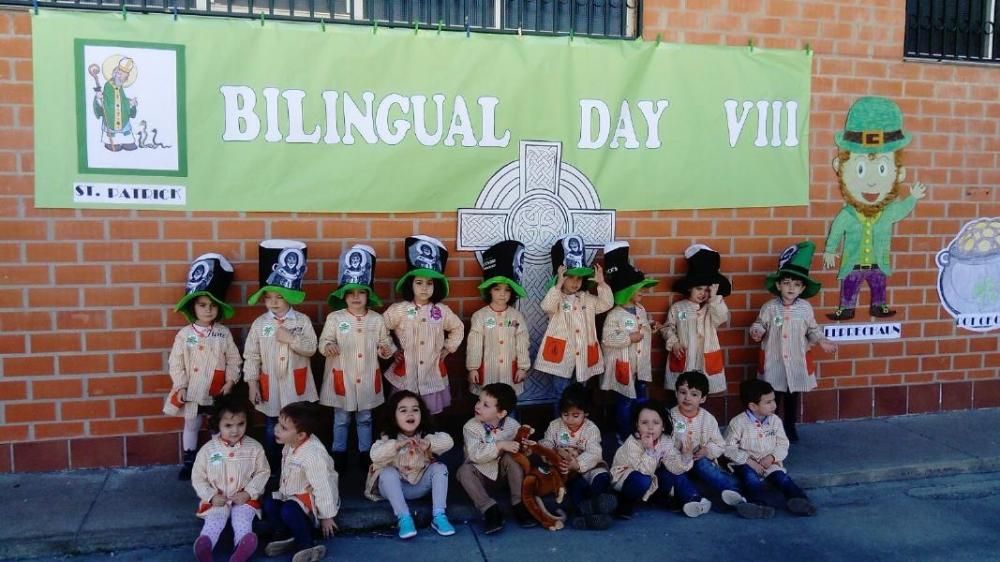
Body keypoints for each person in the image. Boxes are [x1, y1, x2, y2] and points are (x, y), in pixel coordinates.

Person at [823, 96, 927, 321]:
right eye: (860, 168)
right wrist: (830, 250)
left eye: (882, 168)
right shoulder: (847, 215)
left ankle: (879, 306)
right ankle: (846, 308)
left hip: (877, 262)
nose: (871, 182)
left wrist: (912, 198)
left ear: (899, 173)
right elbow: (836, 231)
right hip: (853, 263)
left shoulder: (888, 211)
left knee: (879, 284)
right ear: (840, 167)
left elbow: (901, 211)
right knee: (850, 285)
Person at [751, 241, 838, 442]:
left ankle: (789, 427)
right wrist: (757, 331)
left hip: (796, 361)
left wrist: (822, 340)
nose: (791, 288)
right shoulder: (770, 307)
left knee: (792, 396)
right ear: (779, 285)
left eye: (796, 285)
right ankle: (770, 429)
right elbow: (759, 324)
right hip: (774, 360)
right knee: (772, 397)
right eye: (787, 283)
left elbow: (813, 330)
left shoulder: (805, 309)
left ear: (802, 288)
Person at [320, 245, 395, 476]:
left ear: (367, 295)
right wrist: (328, 346)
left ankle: (365, 452)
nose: (355, 297)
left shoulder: (376, 319)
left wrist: (386, 350)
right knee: (341, 418)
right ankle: (339, 453)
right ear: (343, 295)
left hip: (366, 376)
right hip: (342, 374)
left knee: (365, 417)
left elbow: (387, 343)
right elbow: (323, 341)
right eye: (350, 292)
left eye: (360, 292)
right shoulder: (335, 318)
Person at [164, 254, 241, 481]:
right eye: (202, 305)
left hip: (217, 390)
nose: (208, 310)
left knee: (217, 425)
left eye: (213, 306)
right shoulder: (185, 335)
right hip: (192, 390)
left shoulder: (222, 333)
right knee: (192, 423)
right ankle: (189, 460)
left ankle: (219, 458)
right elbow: (175, 362)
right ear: (193, 307)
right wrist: (180, 385)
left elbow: (234, 359)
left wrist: (230, 381)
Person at [667, 371, 772, 519]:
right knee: (675, 475)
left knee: (703, 465)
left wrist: (706, 450)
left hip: (699, 460)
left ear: (703, 398)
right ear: (676, 393)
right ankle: (696, 501)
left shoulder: (708, 419)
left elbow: (720, 444)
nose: (687, 398)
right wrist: (681, 452)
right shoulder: (671, 417)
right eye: (683, 392)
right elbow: (665, 442)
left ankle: (734, 493)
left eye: (694, 394)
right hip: (677, 461)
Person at [384, 236, 464, 415]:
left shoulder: (442, 311)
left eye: (430, 283)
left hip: (431, 372)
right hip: (407, 373)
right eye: (419, 282)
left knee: (429, 412)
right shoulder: (399, 310)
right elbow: (380, 328)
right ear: (410, 284)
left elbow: (458, 328)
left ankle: (430, 440)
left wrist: (448, 347)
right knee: (404, 411)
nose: (424, 288)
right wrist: (391, 349)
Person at [190, 383, 269, 562]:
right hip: (218, 499)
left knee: (242, 518)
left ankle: (242, 546)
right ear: (217, 424)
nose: (235, 430)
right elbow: (198, 477)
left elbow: (263, 472)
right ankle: (206, 544)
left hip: (244, 498)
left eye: (240, 424)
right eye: (228, 425)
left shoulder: (254, 448)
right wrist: (210, 496)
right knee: (215, 519)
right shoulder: (209, 450)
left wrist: (249, 492)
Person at [244, 289, 319, 474]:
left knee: (298, 424)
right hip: (272, 387)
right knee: (272, 424)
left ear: (290, 297)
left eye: (280, 297)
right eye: (268, 298)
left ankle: (299, 466)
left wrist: (291, 339)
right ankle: (274, 467)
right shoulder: (260, 324)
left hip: (296, 386)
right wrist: (252, 383)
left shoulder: (302, 320)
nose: (274, 302)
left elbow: (311, 348)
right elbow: (252, 355)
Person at [535, 235, 614, 408]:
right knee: (561, 396)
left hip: (584, 356)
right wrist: (557, 286)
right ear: (561, 278)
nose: (575, 282)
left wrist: (601, 285)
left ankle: (578, 427)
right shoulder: (557, 298)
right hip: (561, 357)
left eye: (579, 278)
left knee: (580, 396)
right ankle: (559, 428)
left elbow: (606, 303)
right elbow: (546, 306)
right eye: (570, 277)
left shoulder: (587, 299)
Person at [365, 390, 456, 539]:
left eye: (415, 409)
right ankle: (404, 518)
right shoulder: (388, 437)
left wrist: (429, 444)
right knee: (387, 472)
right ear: (394, 417)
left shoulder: (425, 435)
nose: (410, 414)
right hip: (393, 488)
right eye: (403, 410)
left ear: (422, 414)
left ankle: (439, 515)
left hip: (418, 486)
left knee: (440, 468)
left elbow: (449, 442)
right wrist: (396, 445)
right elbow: (374, 455)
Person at [725, 379, 817, 517]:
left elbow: (782, 443)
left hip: (769, 461)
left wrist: (772, 457)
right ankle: (758, 506)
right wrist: (749, 462)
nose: (774, 405)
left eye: (773, 400)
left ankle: (800, 501)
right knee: (751, 480)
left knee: (782, 478)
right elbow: (728, 448)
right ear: (753, 406)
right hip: (746, 463)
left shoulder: (775, 421)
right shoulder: (738, 423)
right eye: (768, 402)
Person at [263, 402, 338, 562]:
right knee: (269, 503)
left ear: (301, 435)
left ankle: (307, 545)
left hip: (310, 500)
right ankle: (284, 536)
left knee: (288, 510)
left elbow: (323, 486)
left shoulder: (313, 455)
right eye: (279, 423)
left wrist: (327, 516)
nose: (276, 429)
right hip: (291, 493)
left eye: (283, 428)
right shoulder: (291, 443)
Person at [456, 383, 536, 534]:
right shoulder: (470, 427)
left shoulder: (513, 425)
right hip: (480, 475)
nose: (478, 406)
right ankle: (489, 509)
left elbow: (521, 452)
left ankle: (519, 503)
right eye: (479, 401)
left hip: (503, 475)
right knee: (463, 471)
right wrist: (499, 445)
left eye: (485, 405)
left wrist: (525, 447)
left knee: (512, 460)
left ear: (501, 413)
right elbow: (475, 455)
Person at [609, 400, 708, 519]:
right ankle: (625, 503)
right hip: (627, 479)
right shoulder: (633, 443)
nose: (650, 427)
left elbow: (674, 466)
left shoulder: (665, 440)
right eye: (644, 422)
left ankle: (692, 499)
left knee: (672, 474)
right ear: (637, 425)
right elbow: (642, 471)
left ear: (663, 426)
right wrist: (650, 451)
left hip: (652, 476)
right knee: (643, 480)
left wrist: (686, 456)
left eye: (656, 423)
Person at [601, 241, 658, 443]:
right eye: (639, 288)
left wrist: (650, 326)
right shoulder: (615, 314)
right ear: (626, 290)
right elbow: (607, 338)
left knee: (641, 400)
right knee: (625, 401)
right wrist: (628, 338)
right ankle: (624, 435)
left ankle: (640, 432)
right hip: (623, 366)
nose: (642, 292)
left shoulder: (640, 310)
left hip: (639, 365)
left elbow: (641, 327)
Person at [538, 382, 615, 530]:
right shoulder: (555, 426)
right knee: (576, 486)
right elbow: (545, 443)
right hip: (566, 469)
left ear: (585, 413)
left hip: (586, 466)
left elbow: (595, 452)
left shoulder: (591, 429)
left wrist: (578, 463)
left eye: (575, 415)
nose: (570, 420)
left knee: (601, 477)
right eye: (565, 414)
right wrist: (554, 451)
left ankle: (597, 505)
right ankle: (586, 513)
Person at [660, 244, 732, 395]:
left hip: (705, 360)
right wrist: (673, 342)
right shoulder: (678, 308)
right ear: (689, 288)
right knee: (682, 391)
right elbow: (667, 327)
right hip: (684, 359)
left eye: (707, 290)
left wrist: (714, 298)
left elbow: (721, 318)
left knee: (702, 393)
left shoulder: (713, 306)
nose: (703, 293)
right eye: (699, 288)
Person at [467, 240, 531, 398]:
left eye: (507, 290)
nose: (502, 294)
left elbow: (522, 342)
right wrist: (473, 368)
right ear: (489, 291)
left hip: (510, 373)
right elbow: (474, 344)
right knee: (486, 404)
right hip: (487, 372)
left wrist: (523, 367)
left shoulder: (516, 317)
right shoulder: (480, 316)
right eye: (497, 289)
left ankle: (513, 424)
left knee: (509, 406)